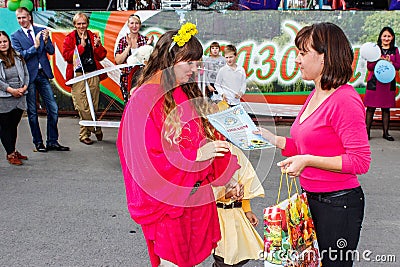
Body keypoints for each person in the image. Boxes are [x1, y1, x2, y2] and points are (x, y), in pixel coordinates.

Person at [116, 23, 243, 267]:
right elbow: (145, 161)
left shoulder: (180, 91)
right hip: (167, 206)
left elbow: (204, 138)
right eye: (190, 63)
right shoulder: (143, 99)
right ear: (169, 59)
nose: (195, 70)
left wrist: (228, 178)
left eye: (198, 63)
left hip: (191, 199)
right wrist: (194, 155)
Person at [255, 23, 371, 267]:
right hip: (310, 201)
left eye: (302, 53)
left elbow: (360, 161)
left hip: (339, 206)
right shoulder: (316, 94)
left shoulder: (345, 100)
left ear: (325, 57)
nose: (297, 60)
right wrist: (272, 139)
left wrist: (307, 161)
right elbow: (306, 144)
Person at [11, 7, 69, 152]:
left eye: (24, 17)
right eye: (19, 18)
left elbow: (51, 51)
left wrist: (46, 40)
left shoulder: (40, 30)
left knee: (53, 109)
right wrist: (35, 46)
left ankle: (52, 141)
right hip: (28, 77)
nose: (21, 21)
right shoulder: (15, 36)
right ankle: (38, 142)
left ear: (29, 17)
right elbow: (20, 56)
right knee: (32, 112)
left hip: (43, 74)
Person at [212, 145, 264, 267]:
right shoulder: (208, 152)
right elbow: (203, 190)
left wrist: (247, 210)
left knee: (241, 255)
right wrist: (225, 194)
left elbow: (245, 178)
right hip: (218, 215)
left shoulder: (235, 151)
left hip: (237, 214)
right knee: (223, 257)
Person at [62, 12, 107, 145]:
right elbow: (67, 57)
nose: (82, 26)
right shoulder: (69, 38)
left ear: (87, 24)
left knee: (93, 105)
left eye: (84, 23)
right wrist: (80, 47)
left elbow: (101, 56)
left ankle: (84, 135)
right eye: (79, 24)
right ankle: (95, 128)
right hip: (78, 75)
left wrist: (98, 46)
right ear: (75, 25)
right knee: (82, 106)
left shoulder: (93, 36)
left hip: (93, 73)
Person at [364, 26, 400, 141]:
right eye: (384, 36)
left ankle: (386, 133)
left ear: (392, 37)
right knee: (370, 109)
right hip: (374, 83)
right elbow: (369, 66)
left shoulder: (395, 50)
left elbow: (398, 66)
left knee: (386, 109)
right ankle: (366, 133)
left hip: (388, 84)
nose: (386, 38)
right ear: (380, 37)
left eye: (389, 36)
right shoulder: (375, 50)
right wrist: (378, 60)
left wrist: (391, 62)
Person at [0, 31, 29, 165]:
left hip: (20, 96)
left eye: (5, 41)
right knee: (5, 127)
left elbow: (26, 74)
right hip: (5, 97)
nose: (3, 44)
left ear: (9, 42)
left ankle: (13, 149)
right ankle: (10, 154)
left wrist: (24, 87)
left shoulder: (17, 56)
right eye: (0, 42)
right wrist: (11, 90)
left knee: (13, 126)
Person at [114, 14, 153, 104]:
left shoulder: (144, 40)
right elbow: (118, 61)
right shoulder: (123, 41)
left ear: (140, 25)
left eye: (137, 23)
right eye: (132, 23)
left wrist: (147, 46)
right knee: (128, 104)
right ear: (128, 25)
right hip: (127, 79)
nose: (134, 26)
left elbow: (149, 61)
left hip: (142, 77)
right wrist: (128, 47)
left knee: (142, 103)